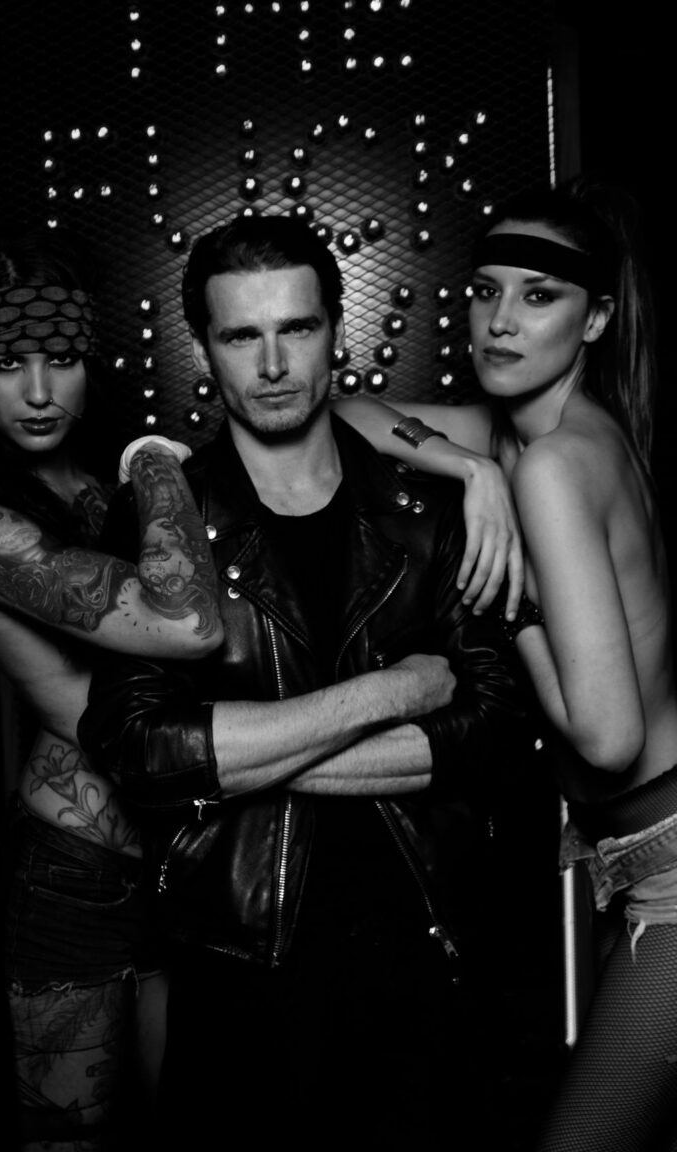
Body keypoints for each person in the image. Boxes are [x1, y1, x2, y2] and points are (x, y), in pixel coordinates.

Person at [77, 213, 530, 1151]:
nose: (274, 363)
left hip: (426, 953)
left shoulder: (424, 507)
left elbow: (490, 728)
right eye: (243, 335)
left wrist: (243, 753)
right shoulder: (162, 523)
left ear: (337, 333)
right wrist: (393, 693)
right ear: (203, 350)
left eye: (297, 328)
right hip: (240, 969)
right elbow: (141, 751)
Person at [335, 177, 677, 1151]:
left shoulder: (558, 464)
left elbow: (608, 740)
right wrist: (468, 467)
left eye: (539, 296)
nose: (500, 320)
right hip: (635, 860)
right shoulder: (536, 438)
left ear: (596, 317)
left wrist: (509, 597)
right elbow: (345, 409)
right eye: (486, 291)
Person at [0, 226, 225, 1151]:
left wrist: (469, 467)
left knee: (188, 1125)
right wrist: (157, 458)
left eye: (59, 359)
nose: (36, 390)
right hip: (74, 878)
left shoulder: (99, 488)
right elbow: (190, 623)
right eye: (6, 364)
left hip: (184, 862)